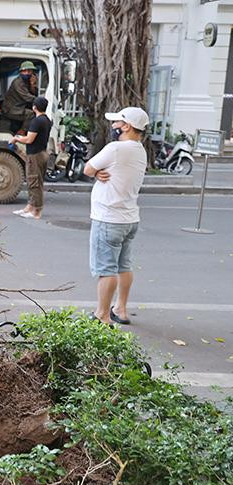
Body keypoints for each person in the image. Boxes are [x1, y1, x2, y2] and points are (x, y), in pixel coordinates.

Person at [83, 106, 150, 325]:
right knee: (124, 266)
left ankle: (102, 313)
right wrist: (98, 172)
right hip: (129, 219)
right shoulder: (140, 150)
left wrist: (95, 172)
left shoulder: (116, 149)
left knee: (106, 269)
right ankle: (120, 308)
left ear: (127, 126)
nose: (113, 127)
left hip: (108, 218)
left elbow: (87, 169)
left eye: (117, 123)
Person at [11, 96, 53, 219]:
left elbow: (29, 139)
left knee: (34, 183)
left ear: (34, 107)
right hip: (42, 153)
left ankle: (36, 211)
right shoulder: (47, 120)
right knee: (34, 182)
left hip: (35, 155)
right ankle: (29, 207)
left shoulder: (37, 121)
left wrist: (16, 138)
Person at [1, 61, 38, 134]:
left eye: (29, 71)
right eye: (25, 71)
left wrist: (32, 85)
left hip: (19, 107)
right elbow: (27, 97)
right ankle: (21, 132)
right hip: (11, 109)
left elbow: (34, 93)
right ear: (21, 72)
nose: (27, 73)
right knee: (31, 114)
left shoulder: (28, 81)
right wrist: (41, 101)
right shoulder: (18, 82)